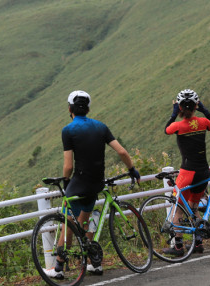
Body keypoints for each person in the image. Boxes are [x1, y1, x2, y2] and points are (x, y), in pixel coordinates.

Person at [44, 90, 141, 279]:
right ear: (88, 108)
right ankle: (93, 263)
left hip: (78, 183)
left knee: (68, 223)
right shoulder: (101, 127)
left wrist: (66, 182)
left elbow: (68, 166)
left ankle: (58, 268)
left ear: (70, 109)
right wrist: (132, 170)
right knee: (85, 221)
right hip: (96, 182)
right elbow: (121, 151)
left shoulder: (68, 130)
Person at [162, 88, 210, 256]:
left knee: (178, 208)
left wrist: (174, 113)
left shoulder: (178, 125)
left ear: (180, 107)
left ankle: (179, 246)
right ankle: (198, 243)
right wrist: (204, 109)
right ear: (196, 106)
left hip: (188, 173)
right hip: (203, 171)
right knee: (194, 206)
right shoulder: (203, 122)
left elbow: (166, 130)